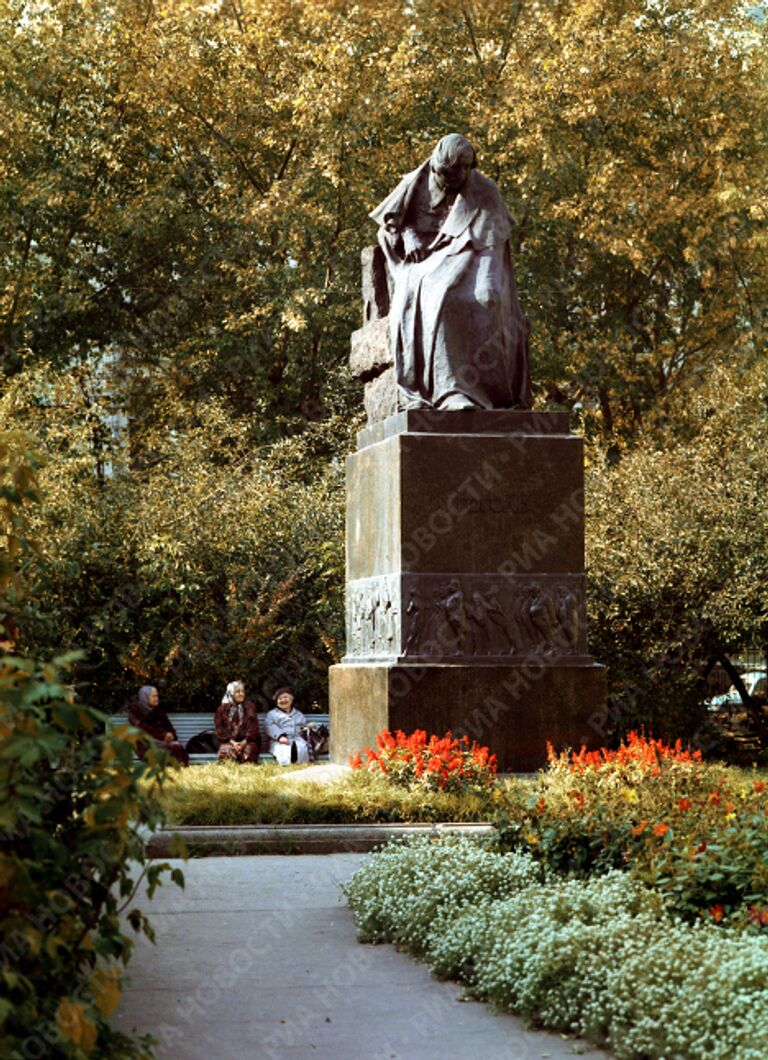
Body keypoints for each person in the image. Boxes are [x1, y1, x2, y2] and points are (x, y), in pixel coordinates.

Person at [370, 133, 532, 411]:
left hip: (470, 257)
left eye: (460, 173)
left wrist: (489, 283)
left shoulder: (485, 191)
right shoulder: (414, 183)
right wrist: (408, 236)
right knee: (442, 298)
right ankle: (450, 391)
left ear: (470, 168)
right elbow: (390, 225)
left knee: (483, 300)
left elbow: (493, 245)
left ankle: (488, 394)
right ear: (434, 166)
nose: (451, 180)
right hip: (420, 262)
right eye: (445, 174)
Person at [126, 685, 189, 766]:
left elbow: (169, 728)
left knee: (177, 747)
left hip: (164, 743)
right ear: (145, 697)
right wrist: (163, 735)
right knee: (175, 748)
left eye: (157, 696)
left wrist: (171, 735)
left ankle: (176, 766)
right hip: (146, 746)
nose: (157, 699)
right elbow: (144, 730)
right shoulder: (135, 712)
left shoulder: (159, 711)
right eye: (154, 696)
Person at [214, 680, 261, 764]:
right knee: (227, 752)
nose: (241, 694)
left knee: (249, 752)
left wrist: (243, 742)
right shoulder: (222, 709)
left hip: (248, 741)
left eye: (242, 691)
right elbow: (220, 729)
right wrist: (233, 743)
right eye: (237, 692)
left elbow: (254, 727)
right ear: (231, 693)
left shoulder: (250, 707)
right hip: (228, 741)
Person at [265, 686, 309, 766]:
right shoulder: (272, 714)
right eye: (280, 698)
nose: (283, 700)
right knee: (285, 752)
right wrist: (280, 736)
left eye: (285, 697)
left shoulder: (299, 714)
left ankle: (301, 768)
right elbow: (270, 726)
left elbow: (303, 727)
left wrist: (308, 727)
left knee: (302, 749)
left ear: (291, 700)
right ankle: (287, 768)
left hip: (297, 739)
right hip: (279, 741)